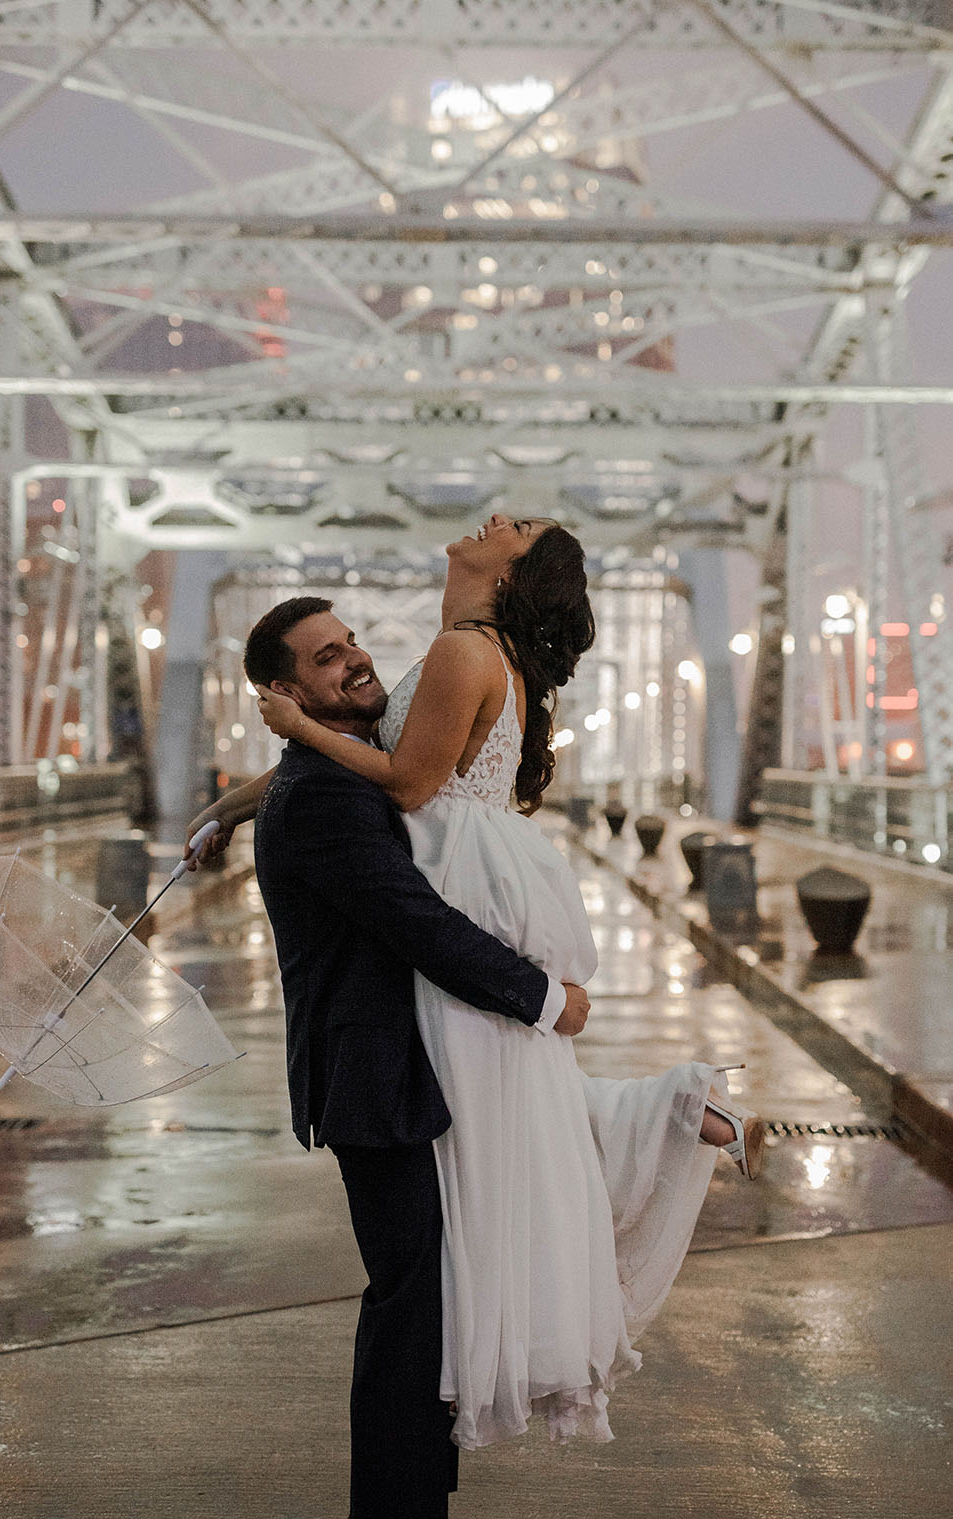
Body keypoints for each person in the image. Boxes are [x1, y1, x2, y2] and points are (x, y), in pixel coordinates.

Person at [187, 516, 763, 1454]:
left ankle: (667, 1113)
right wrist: (225, 804)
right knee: (509, 1119)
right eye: (328, 654)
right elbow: (359, 753)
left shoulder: (462, 650)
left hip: (454, 870)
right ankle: (672, 1109)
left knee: (489, 1137)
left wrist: (291, 727)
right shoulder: (468, 653)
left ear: (513, 570)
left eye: (518, 526)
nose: (497, 518)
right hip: (470, 865)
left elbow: (405, 783)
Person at [187, 593, 592, 1519]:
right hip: (374, 1078)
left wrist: (223, 805)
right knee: (410, 1300)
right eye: (327, 659)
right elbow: (417, 922)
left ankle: (414, 1491)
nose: (355, 660)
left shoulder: (335, 775)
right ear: (285, 694)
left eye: (352, 641)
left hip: (401, 1071)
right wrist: (541, 999)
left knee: (427, 1293)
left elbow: (406, 785)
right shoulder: (325, 798)